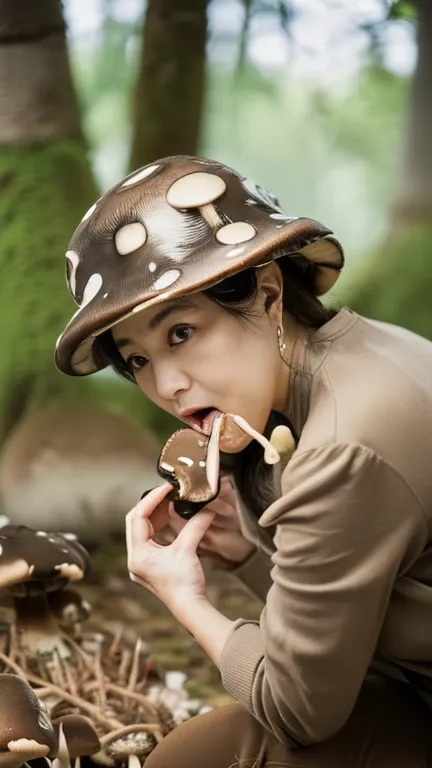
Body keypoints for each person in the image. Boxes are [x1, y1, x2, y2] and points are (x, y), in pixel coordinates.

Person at [55, 155, 432, 767]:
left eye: (180, 332)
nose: (168, 385)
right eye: (138, 360)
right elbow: (359, 614)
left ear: (268, 294)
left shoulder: (341, 448)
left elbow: (298, 710)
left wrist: (186, 598)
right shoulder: (359, 356)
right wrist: (246, 556)